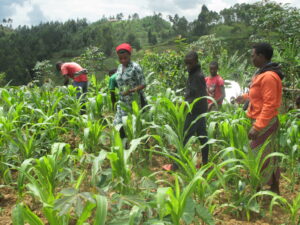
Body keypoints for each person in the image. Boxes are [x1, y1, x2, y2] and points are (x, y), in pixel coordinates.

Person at [236, 43, 284, 194]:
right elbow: (257, 96)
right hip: (262, 120)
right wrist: (244, 97)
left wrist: (257, 127)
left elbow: (269, 105)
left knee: (256, 155)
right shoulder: (261, 73)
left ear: (262, 56)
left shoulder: (269, 76)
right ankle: (274, 188)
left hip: (265, 122)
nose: (252, 59)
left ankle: (256, 190)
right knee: (269, 155)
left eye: (253, 55)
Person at [163, 51, 209, 170]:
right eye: (186, 64)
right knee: (203, 137)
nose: (188, 66)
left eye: (190, 63)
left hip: (195, 111)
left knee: (184, 138)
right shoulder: (193, 73)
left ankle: (175, 166)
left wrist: (184, 104)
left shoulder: (197, 76)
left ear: (196, 62)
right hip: (199, 111)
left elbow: (198, 96)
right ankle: (206, 163)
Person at [113, 43, 146, 138]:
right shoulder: (119, 67)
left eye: (125, 58)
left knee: (133, 125)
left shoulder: (135, 67)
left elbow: (143, 84)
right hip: (122, 101)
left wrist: (131, 90)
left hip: (134, 101)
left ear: (130, 55)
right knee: (118, 123)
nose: (123, 60)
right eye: (120, 58)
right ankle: (123, 145)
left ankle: (134, 144)